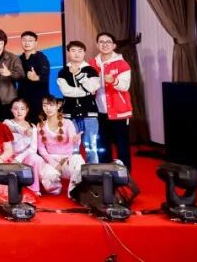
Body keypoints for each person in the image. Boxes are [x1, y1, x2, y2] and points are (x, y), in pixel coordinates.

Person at [93, 32, 133, 168]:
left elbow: (125, 86)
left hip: (119, 113)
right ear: (97, 45)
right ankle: (105, 174)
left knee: (122, 146)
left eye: (108, 42)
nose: (104, 45)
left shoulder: (122, 64)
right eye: (101, 42)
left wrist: (114, 81)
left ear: (114, 45)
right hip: (100, 112)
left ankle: (125, 175)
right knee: (103, 146)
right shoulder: (92, 63)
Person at [57, 40, 101, 163]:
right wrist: (86, 92)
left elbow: (93, 87)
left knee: (91, 147)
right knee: (72, 146)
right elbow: (66, 92)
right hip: (69, 113)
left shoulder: (91, 70)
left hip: (89, 112)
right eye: (73, 50)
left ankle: (92, 171)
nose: (76, 54)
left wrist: (78, 75)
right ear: (68, 52)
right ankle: (73, 171)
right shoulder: (63, 72)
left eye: (80, 51)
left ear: (84, 53)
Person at [37, 95, 85, 195]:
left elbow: (72, 139)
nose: (48, 108)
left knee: (78, 160)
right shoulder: (40, 125)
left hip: (66, 161)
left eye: (51, 105)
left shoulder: (67, 123)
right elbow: (41, 149)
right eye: (45, 105)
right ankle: (55, 189)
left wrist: (75, 139)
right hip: (51, 161)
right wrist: (54, 163)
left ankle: (73, 192)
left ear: (58, 106)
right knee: (48, 175)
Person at [4, 98, 49, 195]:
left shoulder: (33, 127)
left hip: (24, 156)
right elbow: (14, 128)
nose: (19, 111)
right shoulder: (7, 122)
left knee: (36, 159)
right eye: (16, 108)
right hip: (9, 155)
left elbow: (33, 148)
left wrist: (19, 158)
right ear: (11, 110)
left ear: (27, 110)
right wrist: (24, 131)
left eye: (22, 109)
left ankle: (34, 188)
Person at [17, 31, 51, 120]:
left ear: (36, 43)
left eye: (30, 40)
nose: (27, 43)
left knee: (38, 124)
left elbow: (45, 76)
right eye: (24, 40)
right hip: (23, 100)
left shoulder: (41, 58)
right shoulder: (19, 59)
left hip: (38, 100)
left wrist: (37, 78)